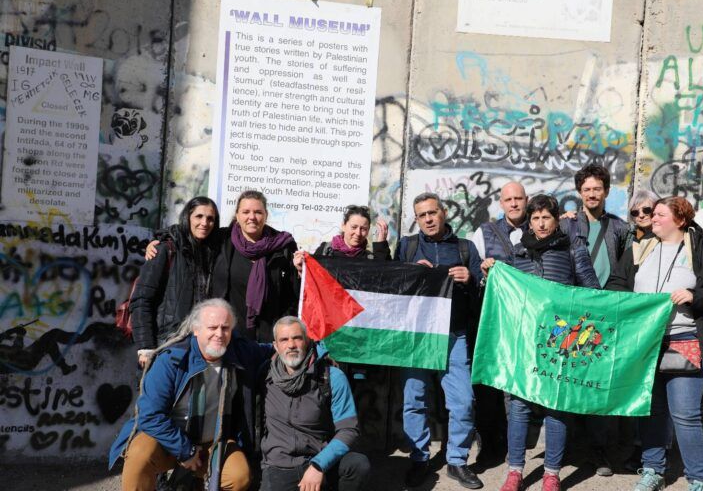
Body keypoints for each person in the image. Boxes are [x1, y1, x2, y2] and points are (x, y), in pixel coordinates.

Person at [606, 197, 703, 491]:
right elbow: (614, 285)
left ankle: (698, 479)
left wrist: (694, 295)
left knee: (686, 414)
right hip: (645, 344)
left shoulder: (702, 252)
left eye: (660, 214)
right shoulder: (638, 249)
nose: (652, 218)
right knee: (651, 410)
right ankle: (653, 471)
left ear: (680, 220)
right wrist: (630, 305)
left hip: (685, 340)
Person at [481, 194, 599, 491]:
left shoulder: (572, 246)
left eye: (546, 217)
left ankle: (551, 474)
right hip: (526, 339)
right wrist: (489, 274)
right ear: (529, 222)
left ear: (556, 219)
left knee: (554, 406)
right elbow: (505, 290)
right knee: (519, 405)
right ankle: (515, 471)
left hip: (560, 340)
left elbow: (591, 287)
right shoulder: (519, 252)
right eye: (535, 218)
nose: (541, 223)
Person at [108, 299, 274, 491]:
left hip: (212, 441)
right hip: (167, 441)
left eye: (225, 328)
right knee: (139, 456)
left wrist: (295, 346)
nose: (219, 334)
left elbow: (273, 348)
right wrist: (186, 451)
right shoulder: (171, 359)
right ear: (196, 330)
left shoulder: (239, 350)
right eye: (212, 327)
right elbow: (150, 415)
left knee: (239, 476)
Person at [394, 192, 484, 489]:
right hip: (417, 337)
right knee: (413, 400)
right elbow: (391, 291)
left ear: (443, 213)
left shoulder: (465, 248)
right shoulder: (406, 247)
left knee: (463, 402)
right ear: (416, 219)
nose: (429, 219)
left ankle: (457, 461)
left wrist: (469, 280)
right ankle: (419, 459)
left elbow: (484, 296)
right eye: (422, 215)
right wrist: (410, 274)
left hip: (454, 334)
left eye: (433, 213)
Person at [148, 191, 299, 342]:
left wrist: (282, 334)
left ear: (266, 215)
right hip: (226, 338)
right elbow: (187, 234)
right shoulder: (221, 240)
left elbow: (292, 297)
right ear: (237, 215)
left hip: (267, 340)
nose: (251, 217)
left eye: (258, 212)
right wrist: (161, 240)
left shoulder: (283, 247)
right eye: (246, 212)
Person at [559, 164, 628, 476]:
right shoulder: (567, 226)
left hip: (606, 314)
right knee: (568, 381)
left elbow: (628, 269)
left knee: (600, 383)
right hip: (574, 314)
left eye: (596, 189)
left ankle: (600, 451)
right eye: (586, 189)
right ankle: (569, 448)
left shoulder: (620, 228)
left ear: (606, 192)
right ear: (579, 193)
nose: (591, 194)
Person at [260, 316, 370, 491]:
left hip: (320, 458)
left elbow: (349, 429)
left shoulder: (331, 377)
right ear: (276, 346)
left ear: (307, 340)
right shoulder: (264, 375)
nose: (291, 345)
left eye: (297, 338)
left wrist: (319, 465)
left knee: (357, 464)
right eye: (284, 339)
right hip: (279, 465)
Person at [470, 181, 529, 466]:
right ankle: (491, 446)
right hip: (494, 322)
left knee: (521, 386)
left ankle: (518, 445)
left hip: (529, 323)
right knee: (489, 386)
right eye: (509, 199)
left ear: (526, 200)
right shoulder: (484, 233)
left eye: (519, 198)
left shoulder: (541, 226)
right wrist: (481, 271)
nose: (514, 204)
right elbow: (471, 269)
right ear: (501, 203)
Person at [131, 196, 220, 369]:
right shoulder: (165, 249)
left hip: (201, 347)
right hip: (166, 345)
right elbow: (141, 300)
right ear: (188, 217)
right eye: (199, 216)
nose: (204, 223)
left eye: (210, 219)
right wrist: (146, 346)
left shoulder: (212, 252)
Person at [622, 189, 660, 472]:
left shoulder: (676, 242)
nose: (642, 217)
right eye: (636, 213)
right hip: (637, 327)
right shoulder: (631, 245)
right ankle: (641, 450)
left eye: (647, 211)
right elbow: (617, 280)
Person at [292, 205, 390, 274]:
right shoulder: (325, 251)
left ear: (368, 231)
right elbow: (311, 287)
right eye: (354, 227)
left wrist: (381, 245)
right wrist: (301, 270)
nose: (358, 233)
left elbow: (384, 280)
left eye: (363, 229)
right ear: (343, 226)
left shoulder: (370, 259)